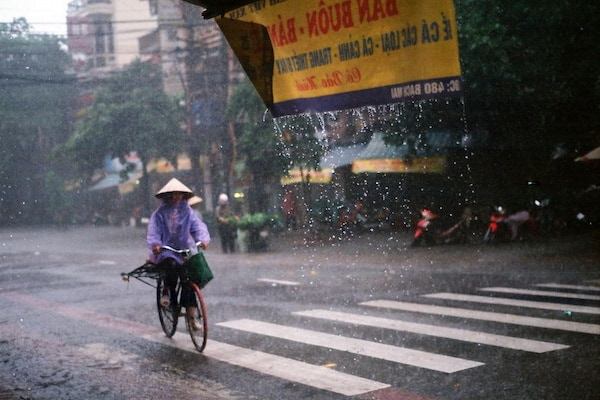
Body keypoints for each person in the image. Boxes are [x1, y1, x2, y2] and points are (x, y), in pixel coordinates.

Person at [147, 178, 210, 330]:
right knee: (172, 266)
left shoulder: (187, 211)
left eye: (179, 194)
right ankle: (168, 291)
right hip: (166, 250)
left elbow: (197, 227)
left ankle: (191, 317)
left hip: (184, 250)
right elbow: (154, 230)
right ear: (168, 196)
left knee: (189, 283)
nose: (176, 197)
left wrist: (202, 240)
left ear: (183, 195)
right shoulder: (159, 214)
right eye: (173, 194)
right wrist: (156, 244)